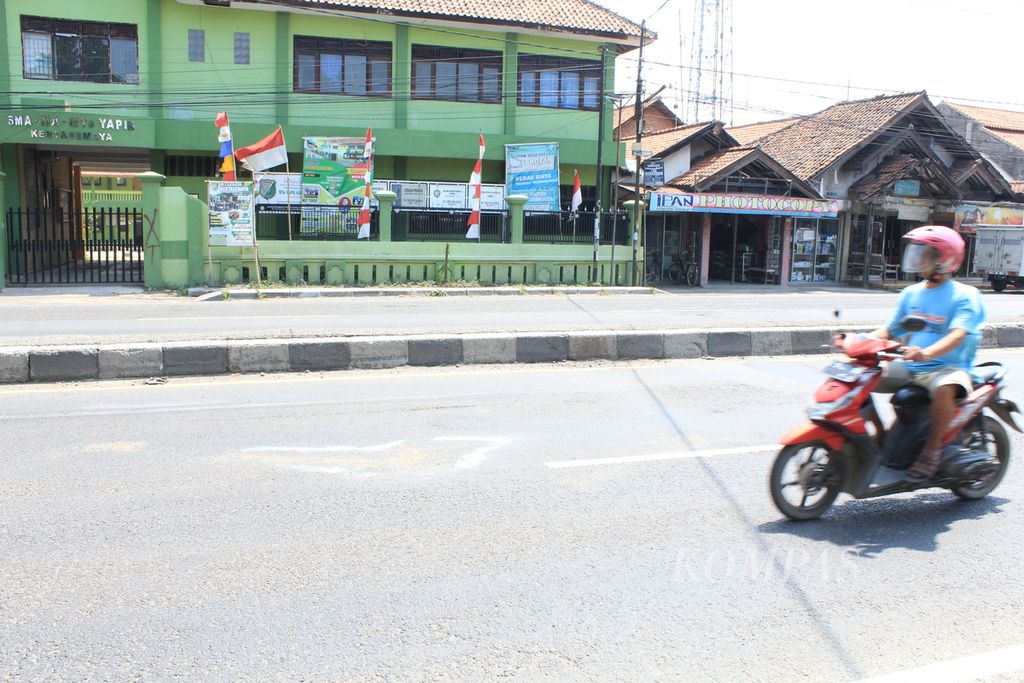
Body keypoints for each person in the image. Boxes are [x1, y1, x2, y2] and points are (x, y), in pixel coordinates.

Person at [869, 225, 986, 482]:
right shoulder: (911, 293)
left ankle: (932, 450)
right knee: (861, 375)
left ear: (944, 259)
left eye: (925, 253)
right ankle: (880, 435)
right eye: (917, 251)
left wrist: (928, 353)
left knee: (945, 387)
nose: (917, 257)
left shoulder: (965, 296)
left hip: (948, 367)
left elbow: (958, 334)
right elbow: (890, 330)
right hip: (911, 365)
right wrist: (859, 341)